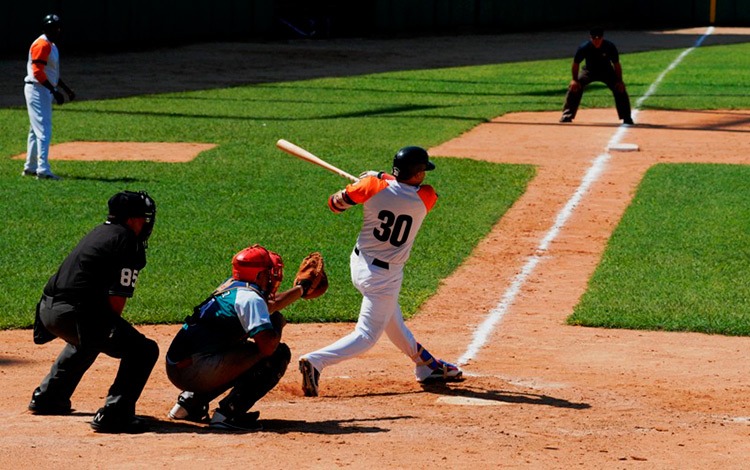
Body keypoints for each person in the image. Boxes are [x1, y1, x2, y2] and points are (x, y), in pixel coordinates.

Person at [298, 146, 463, 397]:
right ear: (417, 174)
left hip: (359, 264)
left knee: (390, 318)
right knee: (367, 335)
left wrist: (365, 185)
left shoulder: (371, 188)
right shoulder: (426, 197)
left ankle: (426, 366)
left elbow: (334, 204)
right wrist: (380, 177)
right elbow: (403, 187)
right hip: (384, 277)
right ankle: (316, 361)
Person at [29, 191, 159, 434]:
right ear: (132, 219)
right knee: (143, 350)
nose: (146, 223)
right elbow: (116, 302)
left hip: (48, 312)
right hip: (73, 313)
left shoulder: (100, 231)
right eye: (144, 217)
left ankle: (48, 397)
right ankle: (115, 414)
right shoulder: (128, 242)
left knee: (89, 336)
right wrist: (114, 333)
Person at [165, 245, 327, 431]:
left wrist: (300, 290)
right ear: (258, 275)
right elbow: (268, 347)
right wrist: (276, 323)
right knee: (276, 355)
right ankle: (228, 415)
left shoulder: (233, 286)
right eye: (268, 273)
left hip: (178, 366)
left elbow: (270, 304)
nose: (272, 277)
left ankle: (188, 405)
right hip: (196, 371)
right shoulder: (251, 299)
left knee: (238, 346)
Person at [22, 14, 76, 180]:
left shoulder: (51, 45)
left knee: (35, 130)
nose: (56, 30)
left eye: (57, 27)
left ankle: (30, 167)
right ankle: (43, 170)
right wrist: (54, 91)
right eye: (52, 27)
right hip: (37, 89)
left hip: (42, 88)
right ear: (45, 28)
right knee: (44, 130)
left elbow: (51, 73)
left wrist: (65, 90)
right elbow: (37, 72)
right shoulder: (41, 44)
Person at [560, 27, 633, 125]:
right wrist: (574, 80)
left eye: (599, 38)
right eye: (594, 38)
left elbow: (616, 64)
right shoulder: (584, 47)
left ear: (602, 38)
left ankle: (626, 117)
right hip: (589, 71)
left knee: (619, 88)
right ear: (591, 38)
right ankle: (567, 114)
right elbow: (576, 63)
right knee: (575, 87)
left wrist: (620, 80)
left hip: (607, 71)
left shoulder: (609, 46)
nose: (597, 40)